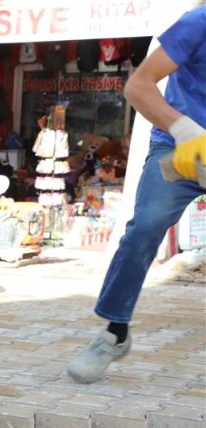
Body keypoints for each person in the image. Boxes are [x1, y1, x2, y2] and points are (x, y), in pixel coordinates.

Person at [68, 6, 206, 384]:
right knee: (145, 226)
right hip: (179, 147)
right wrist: (184, 129)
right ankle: (114, 333)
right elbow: (138, 86)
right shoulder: (198, 23)